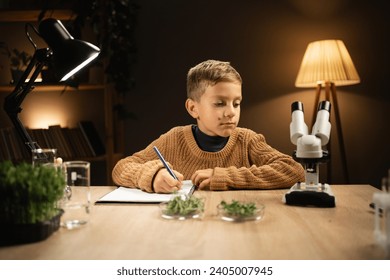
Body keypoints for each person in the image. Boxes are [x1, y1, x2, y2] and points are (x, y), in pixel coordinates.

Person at [112, 59, 304, 193]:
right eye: (220, 103)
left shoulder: (247, 140)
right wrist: (152, 176)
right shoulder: (173, 139)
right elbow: (121, 168)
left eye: (236, 103)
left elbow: (293, 170)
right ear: (193, 108)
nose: (231, 112)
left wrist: (226, 177)